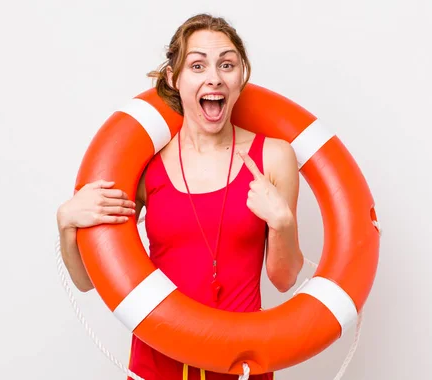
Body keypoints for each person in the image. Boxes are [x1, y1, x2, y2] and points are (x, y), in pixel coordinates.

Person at [56, 13, 304, 380]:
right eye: (197, 64)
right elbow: (87, 281)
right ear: (175, 78)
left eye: (227, 64)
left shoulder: (273, 157)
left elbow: (284, 279)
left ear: (240, 78)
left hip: (239, 363)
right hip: (156, 363)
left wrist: (282, 223)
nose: (214, 77)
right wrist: (66, 225)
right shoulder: (146, 165)